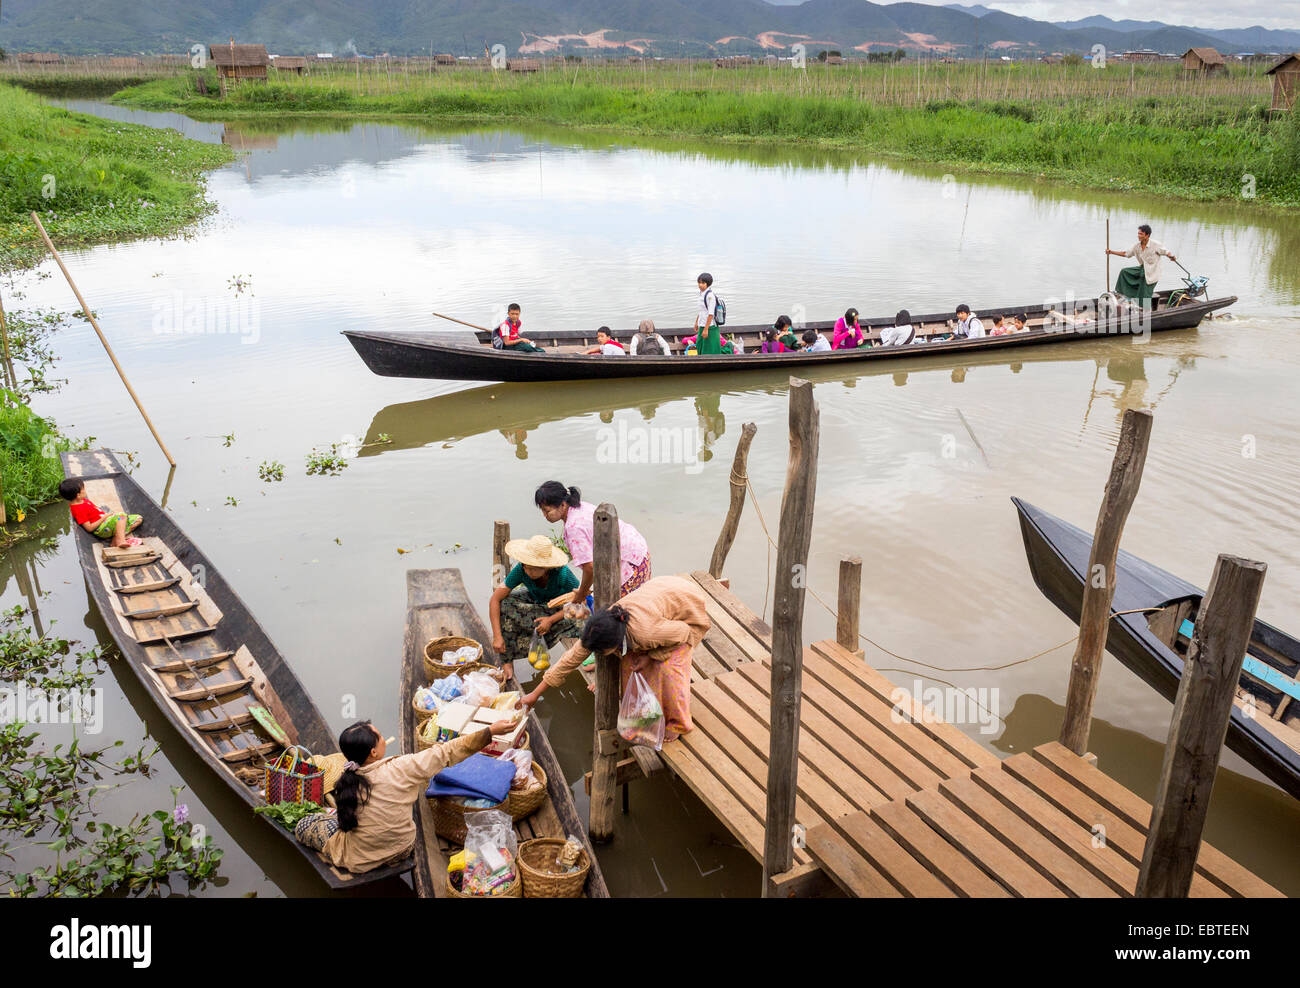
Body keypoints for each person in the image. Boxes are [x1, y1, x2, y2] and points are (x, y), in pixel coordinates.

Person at [293, 717, 517, 873]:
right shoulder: (402, 767)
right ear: (373, 753)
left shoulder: (346, 781)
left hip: (361, 858)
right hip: (402, 848)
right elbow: (446, 751)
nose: (382, 739)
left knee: (305, 824)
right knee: (321, 821)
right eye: (379, 736)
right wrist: (490, 732)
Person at [520, 576, 710, 741]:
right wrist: (535, 694)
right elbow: (569, 660)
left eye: (601, 652)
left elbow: (683, 634)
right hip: (661, 593)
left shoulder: (646, 634)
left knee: (669, 669)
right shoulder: (602, 627)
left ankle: (678, 724)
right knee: (630, 664)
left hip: (687, 610)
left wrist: (652, 657)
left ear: (616, 642)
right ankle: (645, 712)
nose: (599, 655)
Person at [535, 482, 651, 604]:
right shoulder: (579, 507)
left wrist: (581, 594)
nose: (544, 515)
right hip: (638, 552)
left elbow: (590, 568)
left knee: (619, 609)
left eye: (547, 511)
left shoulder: (573, 527)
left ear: (563, 505)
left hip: (629, 563)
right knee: (637, 602)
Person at [489, 534, 585, 667]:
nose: (528, 571)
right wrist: (497, 636)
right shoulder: (521, 569)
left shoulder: (562, 574)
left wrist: (551, 620)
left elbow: (581, 602)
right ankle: (507, 660)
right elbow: (495, 599)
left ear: (546, 568)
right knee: (505, 603)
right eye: (526, 567)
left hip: (560, 608)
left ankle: (548, 627)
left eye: (533, 568)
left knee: (581, 619)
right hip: (537, 601)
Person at [59, 478, 143, 548]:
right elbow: (89, 528)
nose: (85, 490)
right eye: (83, 489)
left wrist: (107, 516)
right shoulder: (78, 509)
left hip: (106, 523)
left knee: (138, 519)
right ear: (78, 495)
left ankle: (116, 537)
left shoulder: (83, 500)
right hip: (101, 529)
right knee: (121, 516)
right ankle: (120, 541)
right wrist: (104, 517)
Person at [1107, 224, 1176, 302]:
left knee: (1145, 295)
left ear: (1147, 235)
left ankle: (1145, 311)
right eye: (1138, 233)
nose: (1138, 236)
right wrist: (1111, 252)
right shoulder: (1137, 246)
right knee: (1124, 272)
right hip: (1142, 269)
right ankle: (1122, 294)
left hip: (1153, 273)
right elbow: (1126, 253)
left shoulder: (1155, 244)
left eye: (1141, 234)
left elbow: (1166, 252)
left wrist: (1171, 257)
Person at [694, 273, 722, 355]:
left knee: (709, 348)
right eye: (699, 283)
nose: (700, 285)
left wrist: (706, 329)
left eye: (703, 283)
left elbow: (711, 314)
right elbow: (701, 311)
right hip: (702, 324)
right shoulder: (701, 294)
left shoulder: (710, 296)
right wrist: (696, 323)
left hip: (710, 326)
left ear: (708, 284)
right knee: (699, 344)